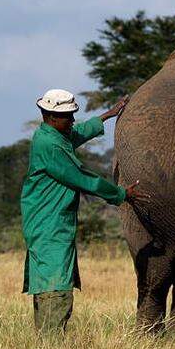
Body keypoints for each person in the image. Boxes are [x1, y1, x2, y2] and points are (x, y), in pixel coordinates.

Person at [20, 88, 146, 335]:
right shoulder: (51, 145)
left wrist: (106, 116)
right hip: (50, 225)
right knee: (54, 282)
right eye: (68, 116)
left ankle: (49, 341)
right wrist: (121, 194)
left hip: (51, 222)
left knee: (51, 276)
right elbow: (81, 178)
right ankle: (51, 344)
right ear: (51, 117)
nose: (72, 120)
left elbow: (77, 133)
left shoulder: (53, 136)